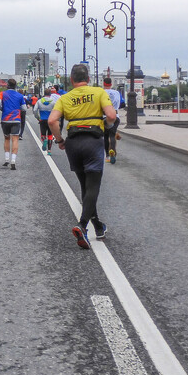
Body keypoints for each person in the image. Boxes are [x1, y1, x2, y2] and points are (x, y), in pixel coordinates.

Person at [48, 63, 117, 250]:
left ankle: (98, 227)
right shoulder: (99, 93)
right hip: (93, 142)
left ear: (71, 80)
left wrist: (60, 140)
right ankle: (83, 225)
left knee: (85, 187)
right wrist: (108, 127)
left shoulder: (65, 97)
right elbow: (111, 115)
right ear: (88, 79)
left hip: (73, 143)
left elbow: (52, 120)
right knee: (93, 187)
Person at [0, 79, 26, 170]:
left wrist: (3, 109)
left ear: (7, 85)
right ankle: (13, 160)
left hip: (5, 119)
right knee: (15, 139)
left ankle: (6, 159)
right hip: (16, 119)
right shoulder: (20, 96)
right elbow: (24, 108)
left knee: (7, 138)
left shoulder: (2, 93)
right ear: (15, 86)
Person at [33, 86, 60, 155]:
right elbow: (57, 111)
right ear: (50, 94)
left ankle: (44, 139)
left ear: (44, 94)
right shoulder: (53, 102)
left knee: (43, 134)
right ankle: (49, 151)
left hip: (42, 120)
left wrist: (38, 117)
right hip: (51, 120)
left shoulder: (39, 101)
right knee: (50, 135)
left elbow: (35, 110)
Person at [102, 77, 122, 164]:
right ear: (111, 84)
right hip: (115, 116)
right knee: (112, 135)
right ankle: (112, 152)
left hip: (105, 116)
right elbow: (121, 103)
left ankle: (107, 155)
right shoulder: (117, 92)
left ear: (104, 83)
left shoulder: (101, 93)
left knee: (105, 136)